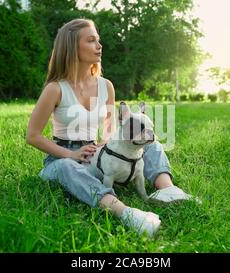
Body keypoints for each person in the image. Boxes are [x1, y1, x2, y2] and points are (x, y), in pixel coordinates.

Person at [26, 19, 194, 237]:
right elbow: (33, 135)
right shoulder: (55, 88)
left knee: (149, 143)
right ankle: (127, 213)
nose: (99, 45)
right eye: (91, 40)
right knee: (68, 167)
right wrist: (71, 154)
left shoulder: (106, 86)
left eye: (98, 40)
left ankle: (167, 190)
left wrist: (107, 146)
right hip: (61, 158)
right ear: (72, 47)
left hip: (95, 154)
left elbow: (108, 128)